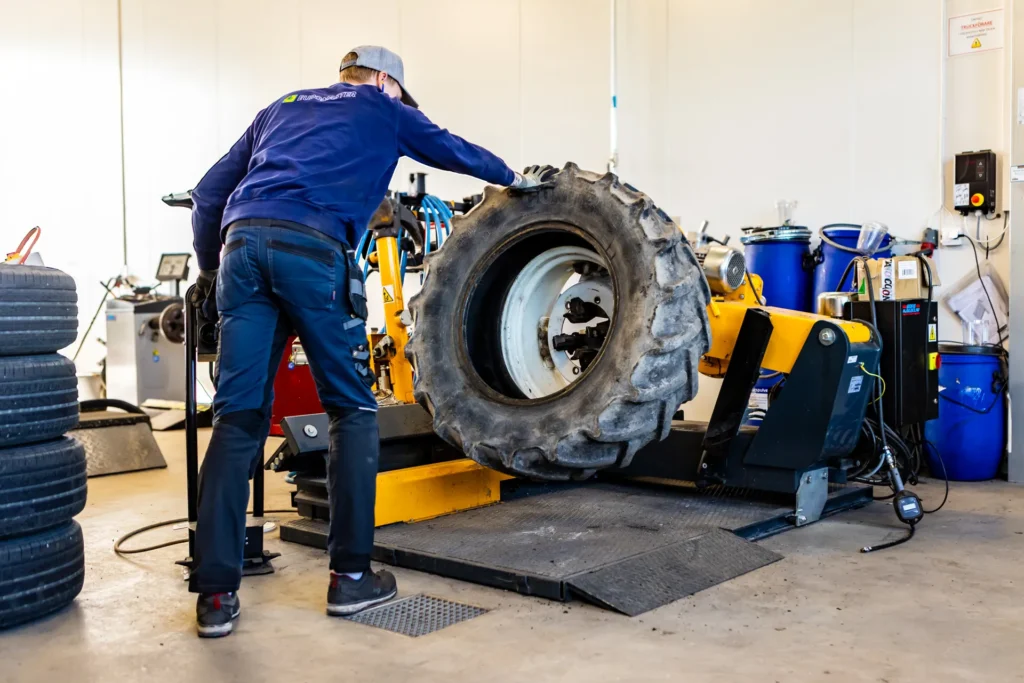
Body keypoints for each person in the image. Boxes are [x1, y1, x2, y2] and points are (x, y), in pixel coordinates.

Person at [188, 45, 552, 638]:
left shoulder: (281, 107)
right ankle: (351, 578)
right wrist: (515, 179)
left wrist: (210, 270)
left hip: (241, 250)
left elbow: (208, 195)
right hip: (313, 252)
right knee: (352, 412)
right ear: (385, 80)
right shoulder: (382, 108)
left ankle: (214, 596)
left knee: (237, 419)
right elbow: (453, 148)